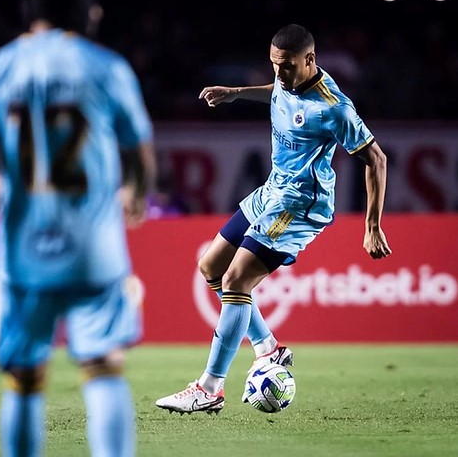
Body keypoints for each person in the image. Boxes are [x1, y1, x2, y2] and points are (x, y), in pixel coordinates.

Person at [0, 0, 156, 455]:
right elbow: (142, 154)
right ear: (87, 12)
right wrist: (135, 192)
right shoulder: (107, 67)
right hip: (95, 251)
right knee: (103, 369)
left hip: (23, 252)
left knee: (22, 379)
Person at [155, 23, 391, 414]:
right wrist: (235, 94)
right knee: (211, 266)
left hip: (299, 204)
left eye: (286, 66)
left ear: (310, 60)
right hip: (271, 190)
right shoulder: (285, 79)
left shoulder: (333, 108)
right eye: (274, 65)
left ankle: (209, 388)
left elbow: (377, 160)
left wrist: (372, 225)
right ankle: (268, 349)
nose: (279, 74)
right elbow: (277, 92)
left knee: (236, 280)